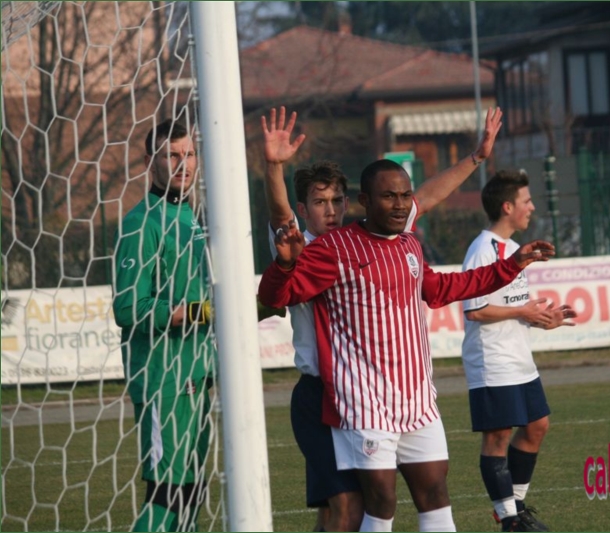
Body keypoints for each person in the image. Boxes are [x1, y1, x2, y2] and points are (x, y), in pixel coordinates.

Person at [259, 159, 556, 532]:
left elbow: (442, 282)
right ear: (366, 201)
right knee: (360, 507)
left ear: (349, 203)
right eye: (320, 202)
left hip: (414, 398)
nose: (400, 204)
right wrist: (273, 167)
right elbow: (277, 288)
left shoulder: (407, 243)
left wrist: (510, 264)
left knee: (428, 495)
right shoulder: (320, 248)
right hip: (352, 397)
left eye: (404, 196)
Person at [461, 170, 577, 532]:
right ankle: (510, 520)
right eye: (526, 201)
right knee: (497, 437)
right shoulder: (483, 250)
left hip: (518, 356)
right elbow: (474, 309)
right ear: (507, 206)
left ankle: (516, 507)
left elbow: (515, 306)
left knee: (537, 425)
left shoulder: (513, 250)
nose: (532, 207)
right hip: (492, 359)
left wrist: (544, 320)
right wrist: (522, 312)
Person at [113, 120, 214, 532]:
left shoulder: (192, 218)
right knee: (166, 493)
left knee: (191, 493)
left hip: (197, 376)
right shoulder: (142, 223)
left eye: (188, 154)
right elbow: (128, 308)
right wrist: (201, 312)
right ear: (148, 162)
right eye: (171, 155)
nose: (182, 164)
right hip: (162, 382)